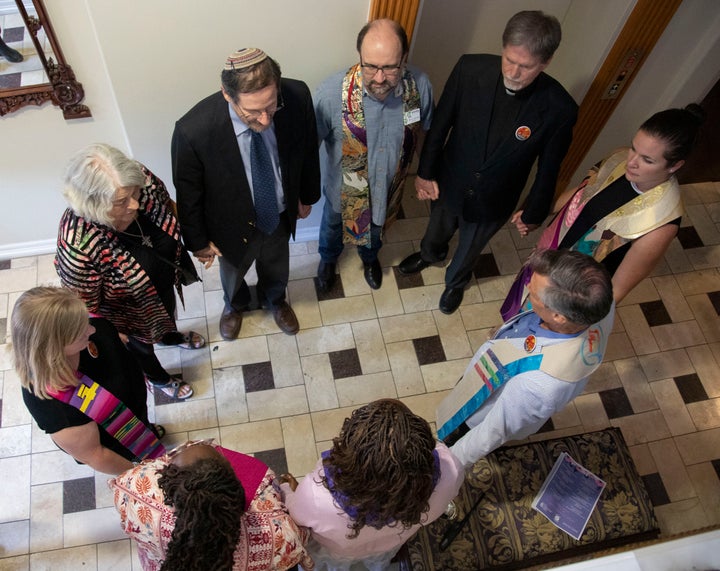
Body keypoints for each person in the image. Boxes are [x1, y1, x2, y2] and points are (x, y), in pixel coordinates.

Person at [398, 10, 578, 315]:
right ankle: (429, 254)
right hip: (450, 178)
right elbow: (440, 125)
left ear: (545, 62)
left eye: (525, 66)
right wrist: (425, 173)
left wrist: (533, 211)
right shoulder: (469, 69)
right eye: (509, 59)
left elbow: (549, 168)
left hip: (496, 196)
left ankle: (456, 281)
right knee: (436, 227)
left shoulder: (559, 108)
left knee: (471, 247)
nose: (513, 72)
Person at [502, 104, 707, 318]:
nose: (632, 162)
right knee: (522, 300)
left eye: (647, 160)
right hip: (551, 253)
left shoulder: (661, 224)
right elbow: (580, 194)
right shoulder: (618, 158)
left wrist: (574, 325)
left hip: (572, 291)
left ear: (674, 165)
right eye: (634, 148)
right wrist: (537, 213)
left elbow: (616, 291)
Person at [172, 48, 320, 340]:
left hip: (277, 209)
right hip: (229, 222)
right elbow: (188, 194)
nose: (265, 120)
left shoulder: (297, 95)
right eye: (252, 112)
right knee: (233, 270)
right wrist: (198, 241)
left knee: (277, 261)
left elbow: (307, 148)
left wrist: (307, 194)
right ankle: (234, 305)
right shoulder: (193, 131)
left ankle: (275, 299)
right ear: (227, 95)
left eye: (271, 106)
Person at [437, 249, 614, 468]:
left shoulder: (539, 385)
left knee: (456, 432)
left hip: (479, 409)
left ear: (559, 316)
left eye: (535, 294)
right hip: (494, 366)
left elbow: (493, 430)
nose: (528, 287)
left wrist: (448, 464)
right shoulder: (599, 304)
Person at [56, 143, 202, 400]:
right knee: (140, 348)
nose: (135, 204)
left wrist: (198, 239)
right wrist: (114, 334)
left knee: (166, 312)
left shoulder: (139, 179)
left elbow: (168, 204)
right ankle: (158, 378)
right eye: (122, 201)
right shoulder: (77, 244)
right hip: (127, 311)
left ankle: (168, 336)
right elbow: (84, 304)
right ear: (94, 205)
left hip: (160, 280)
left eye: (135, 193)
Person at [314, 19, 433, 291]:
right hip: (341, 191)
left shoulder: (421, 86)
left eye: (390, 67)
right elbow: (309, 147)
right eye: (370, 66)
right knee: (332, 227)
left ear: (404, 58)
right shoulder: (330, 93)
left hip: (389, 190)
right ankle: (328, 260)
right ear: (360, 58)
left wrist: (426, 173)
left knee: (376, 231)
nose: (379, 78)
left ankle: (369, 259)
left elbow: (425, 133)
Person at [279, 399, 464, 571]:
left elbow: (294, 518)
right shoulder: (451, 471)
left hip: (338, 551)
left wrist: (291, 489)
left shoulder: (315, 496)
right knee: (377, 561)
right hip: (391, 544)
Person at [12, 287, 165, 475]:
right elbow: (96, 455)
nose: (92, 329)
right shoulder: (55, 408)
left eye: (86, 319)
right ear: (56, 346)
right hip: (115, 440)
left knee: (144, 427)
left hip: (130, 407)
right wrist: (142, 472)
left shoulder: (82, 328)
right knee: (135, 454)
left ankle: (146, 430)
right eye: (81, 330)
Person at [109, 439, 314, 571]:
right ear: (237, 489)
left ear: (168, 483)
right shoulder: (277, 532)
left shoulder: (134, 489)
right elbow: (298, 539)